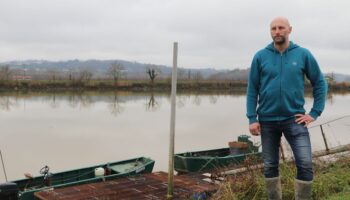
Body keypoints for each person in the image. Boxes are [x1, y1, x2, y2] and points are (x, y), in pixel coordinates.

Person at [246, 17, 327, 200]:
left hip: (295, 119)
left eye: (281, 28)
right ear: (270, 31)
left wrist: (314, 112)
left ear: (290, 30)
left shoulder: (303, 54)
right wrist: (252, 118)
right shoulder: (260, 56)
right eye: (273, 28)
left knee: (305, 164)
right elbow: (252, 89)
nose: (277, 31)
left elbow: (320, 84)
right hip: (267, 120)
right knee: (269, 166)